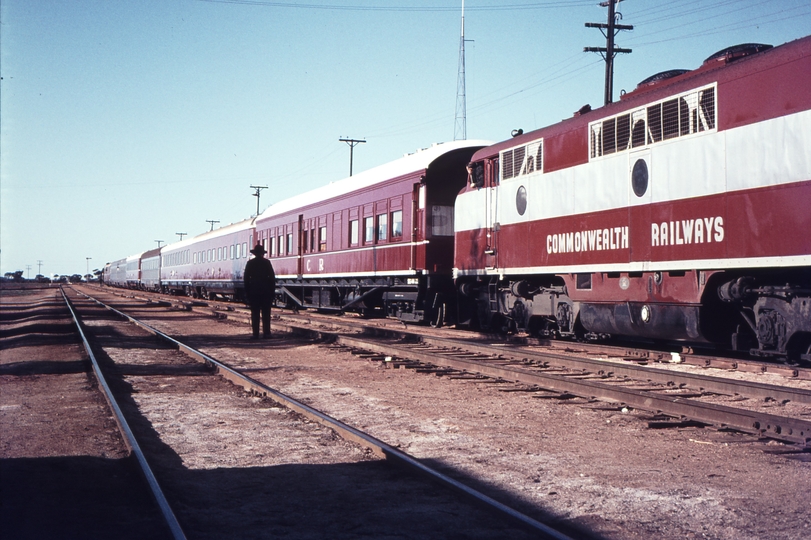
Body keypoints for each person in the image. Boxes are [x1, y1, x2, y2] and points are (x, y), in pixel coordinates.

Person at [243, 243, 276, 339]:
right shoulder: (267, 263)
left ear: (254, 254)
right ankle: (267, 333)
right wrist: (272, 291)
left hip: (254, 291)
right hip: (266, 291)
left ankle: (255, 334)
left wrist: (247, 292)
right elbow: (272, 278)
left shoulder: (250, 263)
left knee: (255, 314)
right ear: (262, 253)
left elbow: (246, 279)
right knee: (266, 313)